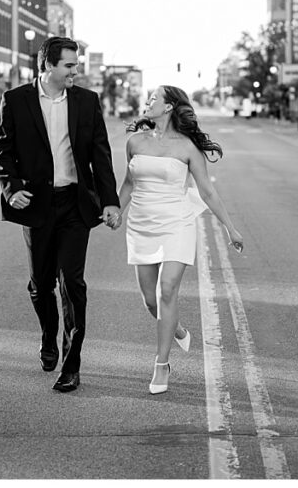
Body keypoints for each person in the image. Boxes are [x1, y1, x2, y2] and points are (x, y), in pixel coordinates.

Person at [0, 36, 121, 393]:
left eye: (76, 66)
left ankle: (71, 364)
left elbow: (101, 155)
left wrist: (110, 200)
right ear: (48, 65)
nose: (75, 72)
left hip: (74, 205)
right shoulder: (16, 101)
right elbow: (2, 150)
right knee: (40, 285)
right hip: (37, 203)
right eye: (69, 65)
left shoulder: (86, 101)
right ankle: (49, 335)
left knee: (73, 284)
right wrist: (12, 187)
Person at [110, 85, 244, 394]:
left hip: (177, 224)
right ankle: (176, 328)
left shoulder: (187, 147)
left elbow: (207, 191)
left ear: (169, 107)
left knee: (167, 289)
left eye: (154, 98)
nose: (148, 102)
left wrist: (229, 228)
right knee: (150, 300)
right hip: (142, 224)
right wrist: (117, 211)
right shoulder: (134, 142)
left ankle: (162, 364)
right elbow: (129, 182)